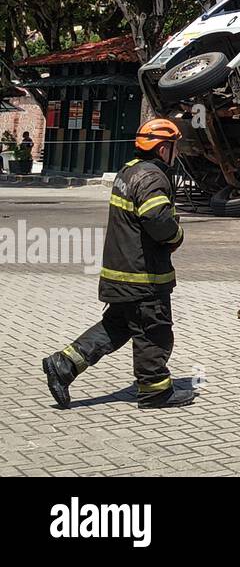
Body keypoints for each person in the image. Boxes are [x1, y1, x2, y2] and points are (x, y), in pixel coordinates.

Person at [42, 118, 196, 409]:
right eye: (175, 147)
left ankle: (62, 364)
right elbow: (156, 219)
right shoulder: (152, 177)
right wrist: (177, 234)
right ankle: (155, 391)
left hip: (121, 272)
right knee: (154, 332)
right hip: (143, 276)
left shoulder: (129, 172)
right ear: (163, 149)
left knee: (116, 328)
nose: (177, 153)